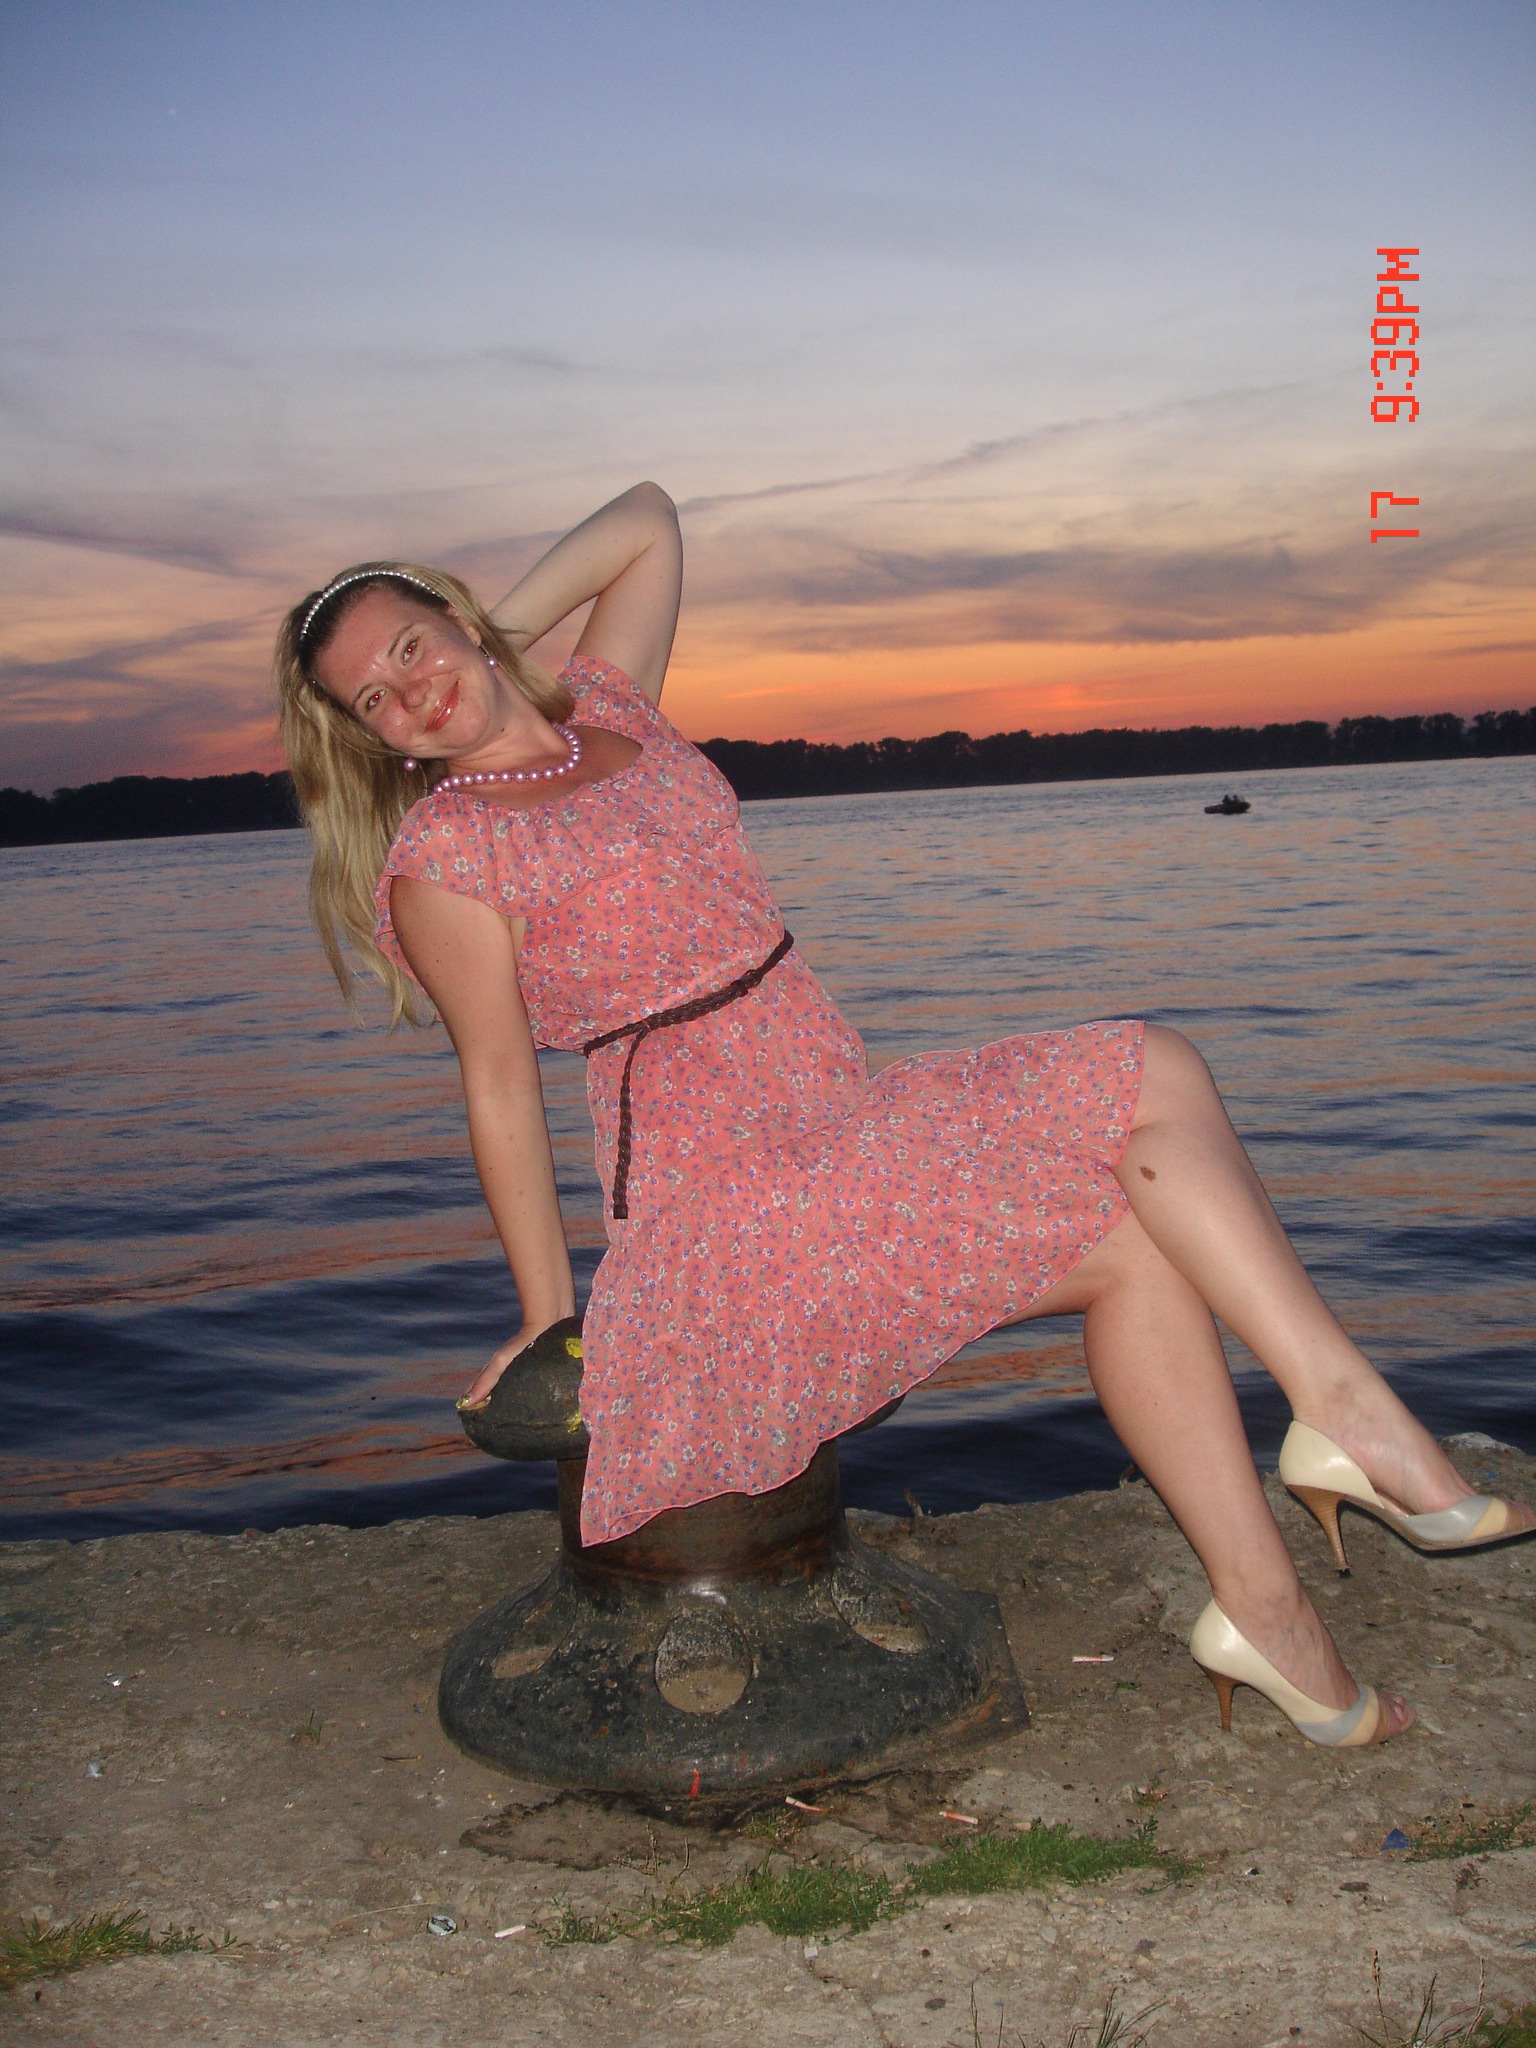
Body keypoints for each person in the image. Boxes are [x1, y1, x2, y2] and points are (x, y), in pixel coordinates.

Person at [276, 481, 1532, 1749]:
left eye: (412, 647)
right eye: (374, 698)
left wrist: (489, 636)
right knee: (1154, 1074)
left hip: (830, 1109)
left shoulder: (609, 707)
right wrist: (552, 1314)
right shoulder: (449, 855)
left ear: (462, 618)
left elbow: (648, 519)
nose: (411, 693)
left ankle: (1273, 1606)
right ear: (372, 739)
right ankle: (1345, 1421)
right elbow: (497, 1086)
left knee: (1146, 1207)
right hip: (723, 1195)